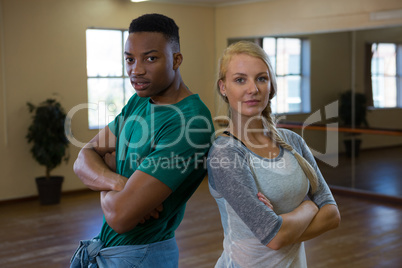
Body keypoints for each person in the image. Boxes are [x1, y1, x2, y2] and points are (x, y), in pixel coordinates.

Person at [70, 13, 214, 268]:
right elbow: (83, 159)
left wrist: (105, 171)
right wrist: (119, 182)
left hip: (142, 256)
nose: (136, 70)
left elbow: (119, 216)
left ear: (176, 59)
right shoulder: (140, 100)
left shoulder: (190, 122)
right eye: (129, 59)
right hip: (111, 249)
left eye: (150, 58)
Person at [207, 41, 340, 267]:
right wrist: (308, 207)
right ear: (223, 87)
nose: (253, 89)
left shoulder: (293, 141)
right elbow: (275, 237)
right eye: (240, 80)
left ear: (271, 85)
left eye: (261, 78)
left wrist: (282, 226)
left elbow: (332, 214)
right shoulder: (226, 152)